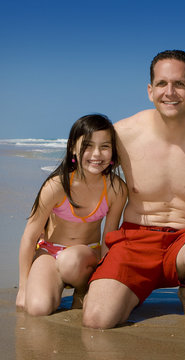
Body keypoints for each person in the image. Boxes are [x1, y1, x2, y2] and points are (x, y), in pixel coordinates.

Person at [82, 50, 185, 329]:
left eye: (180, 84)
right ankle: (131, 290)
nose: (170, 92)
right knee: (96, 321)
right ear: (150, 90)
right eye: (162, 84)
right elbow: (86, 180)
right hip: (134, 241)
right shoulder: (122, 135)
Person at [16, 114, 127, 316]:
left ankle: (83, 288)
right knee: (37, 309)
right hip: (49, 252)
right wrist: (23, 287)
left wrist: (100, 284)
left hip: (85, 256)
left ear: (113, 151)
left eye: (105, 146)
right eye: (88, 146)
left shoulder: (115, 189)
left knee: (71, 260)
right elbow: (29, 237)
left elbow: (108, 238)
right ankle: (51, 286)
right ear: (72, 148)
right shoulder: (57, 186)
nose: (96, 154)